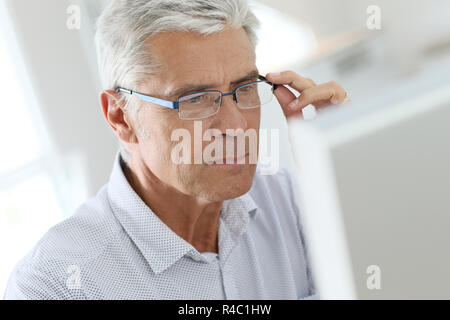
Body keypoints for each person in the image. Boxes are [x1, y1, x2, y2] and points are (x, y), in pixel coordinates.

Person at [4, 0, 348, 300]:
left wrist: (347, 171)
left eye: (244, 87)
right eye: (195, 99)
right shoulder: (54, 286)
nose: (236, 126)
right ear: (121, 116)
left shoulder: (293, 200)